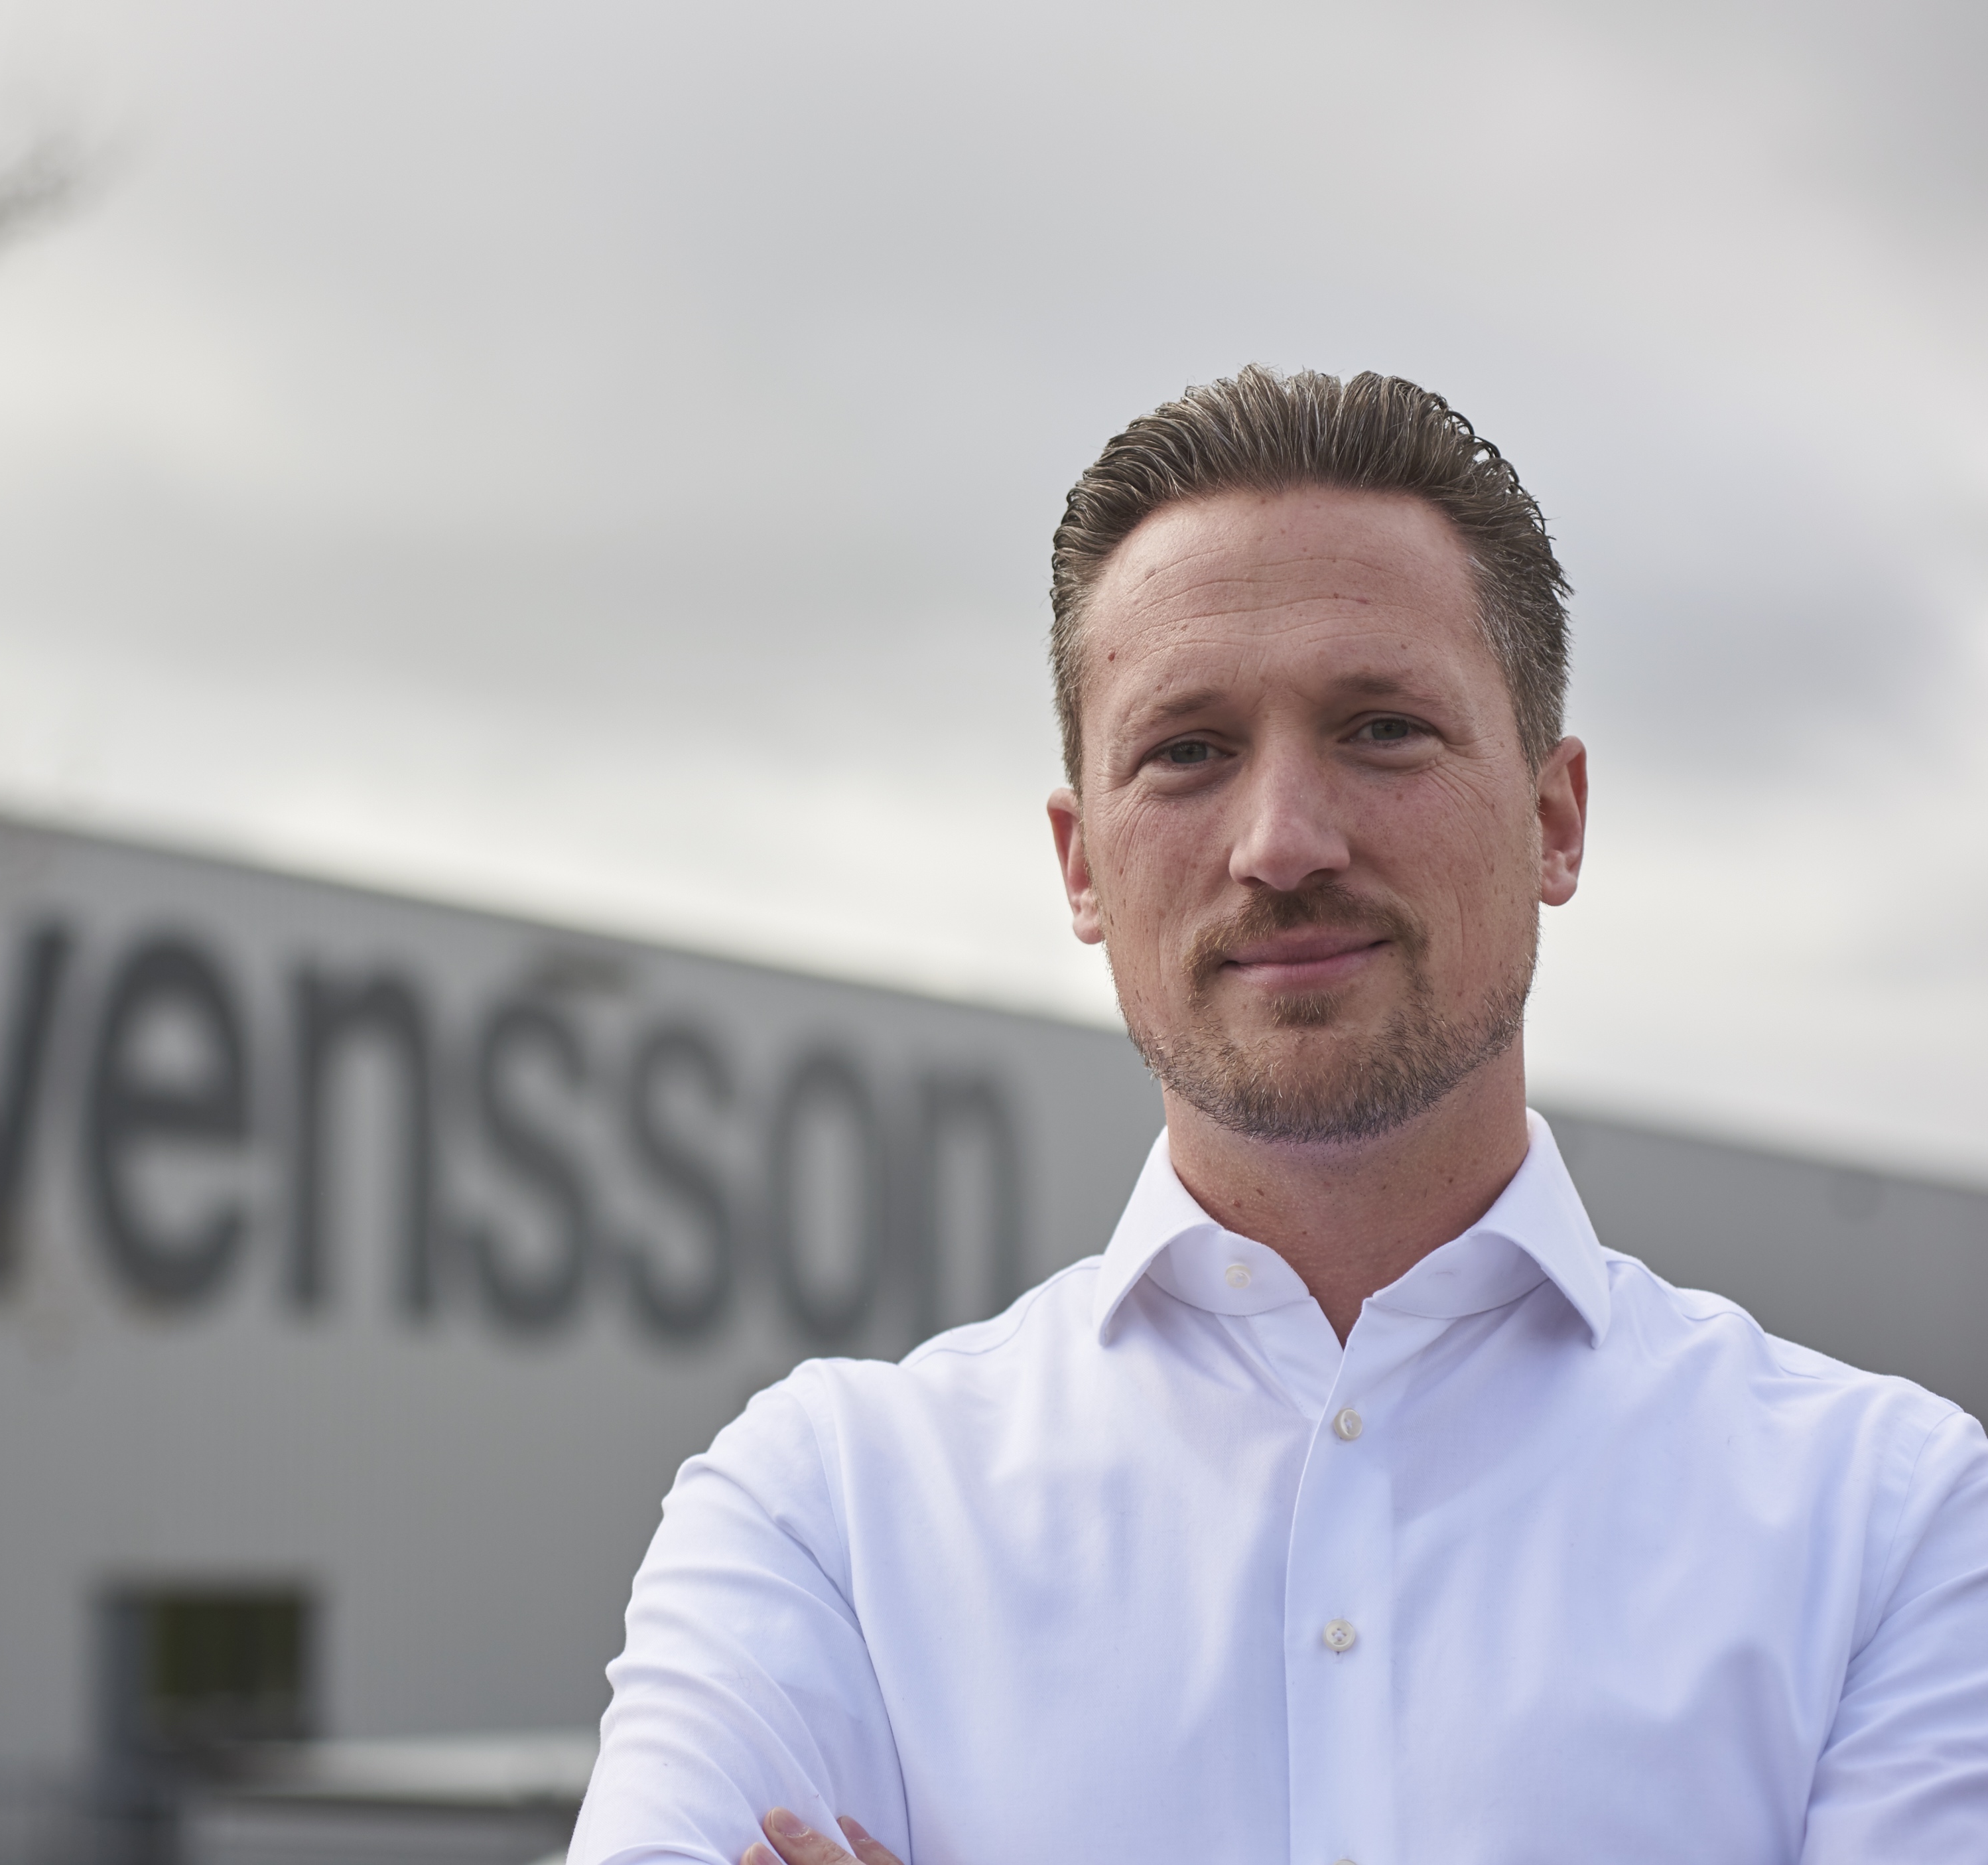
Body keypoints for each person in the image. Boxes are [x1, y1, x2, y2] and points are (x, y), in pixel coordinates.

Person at [568, 367, 1988, 1865]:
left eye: (1381, 728)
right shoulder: (827, 1515)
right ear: (1081, 866)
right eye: (1187, 749)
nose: (1284, 843)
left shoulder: (1889, 1526)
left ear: (1554, 819)